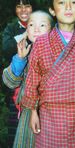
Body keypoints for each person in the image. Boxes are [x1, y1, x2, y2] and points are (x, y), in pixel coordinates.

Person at [21, 0, 75, 147]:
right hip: (49, 113)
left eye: (74, 2)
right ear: (52, 10)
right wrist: (33, 111)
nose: (68, 7)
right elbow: (32, 79)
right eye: (61, 2)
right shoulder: (41, 43)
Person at [2, 10, 53, 148]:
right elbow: (10, 82)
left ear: (53, 30)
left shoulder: (58, 55)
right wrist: (20, 59)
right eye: (31, 25)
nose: (36, 29)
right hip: (27, 116)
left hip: (54, 114)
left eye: (42, 25)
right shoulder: (25, 52)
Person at [1, 0, 32, 146]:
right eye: (19, 6)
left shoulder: (42, 25)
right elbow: (6, 48)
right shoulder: (11, 28)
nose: (23, 10)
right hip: (14, 88)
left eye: (27, 5)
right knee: (14, 132)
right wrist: (26, 34)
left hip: (35, 90)